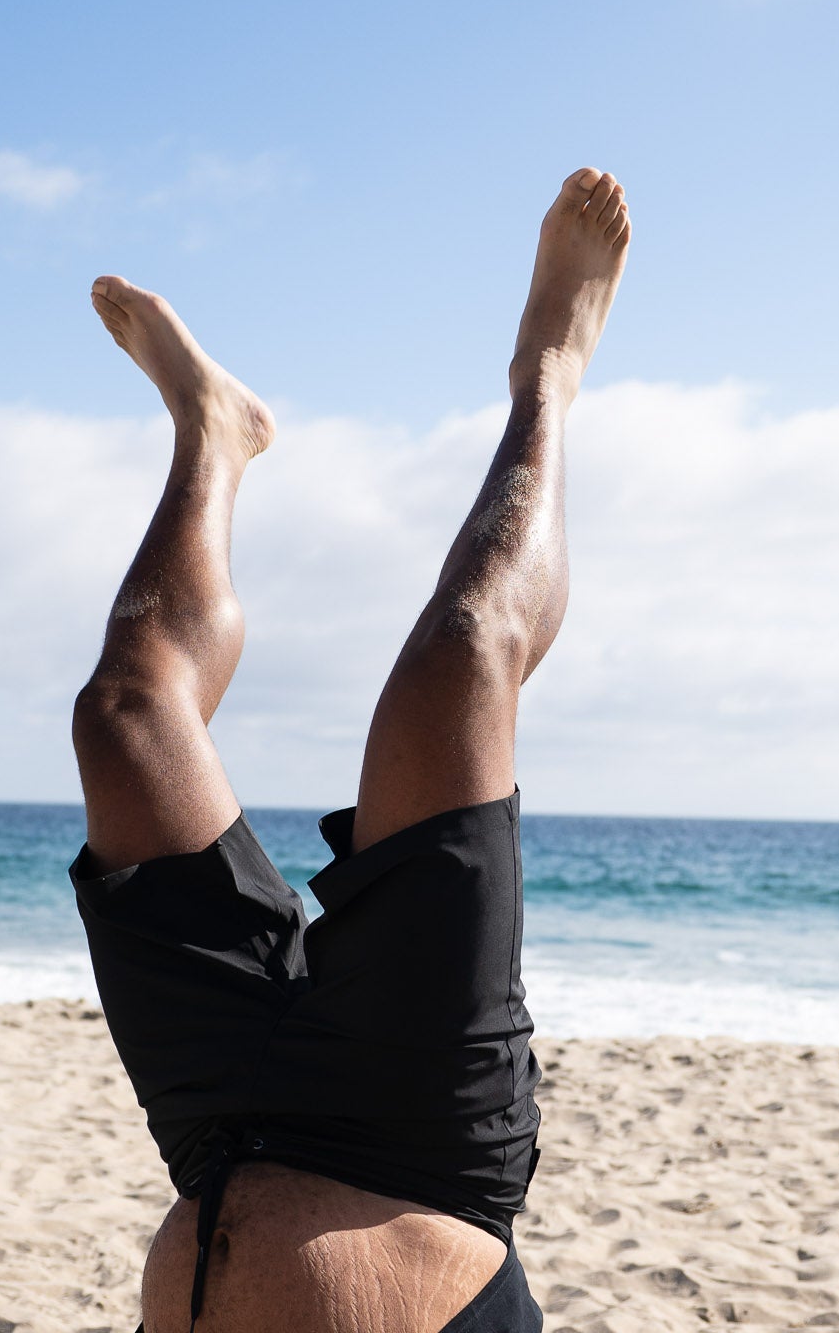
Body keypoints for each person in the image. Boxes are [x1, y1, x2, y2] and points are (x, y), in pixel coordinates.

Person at [70, 168, 632, 1333]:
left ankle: (213, 435)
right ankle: (549, 377)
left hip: (220, 1128)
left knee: (123, 717)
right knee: (463, 653)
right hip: (417, 1144)